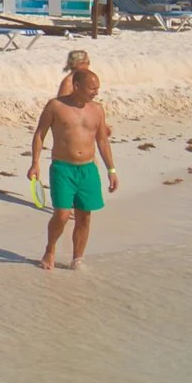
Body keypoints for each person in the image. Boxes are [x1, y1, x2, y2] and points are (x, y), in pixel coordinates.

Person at [28, 69, 118, 272]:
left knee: (84, 216)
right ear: (77, 86)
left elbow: (102, 140)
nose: (95, 92)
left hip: (88, 169)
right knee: (61, 214)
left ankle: (77, 258)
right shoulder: (56, 106)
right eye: (91, 88)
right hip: (63, 168)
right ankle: (50, 249)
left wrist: (111, 170)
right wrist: (35, 163)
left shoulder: (97, 109)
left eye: (97, 88)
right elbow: (39, 134)